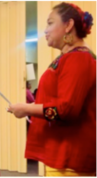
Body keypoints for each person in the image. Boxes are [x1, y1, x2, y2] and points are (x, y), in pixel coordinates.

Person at [8, 3, 96, 176]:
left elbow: (66, 110)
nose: (45, 31)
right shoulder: (69, 57)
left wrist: (26, 108)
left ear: (68, 25)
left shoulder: (78, 59)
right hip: (62, 153)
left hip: (70, 158)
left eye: (50, 23)